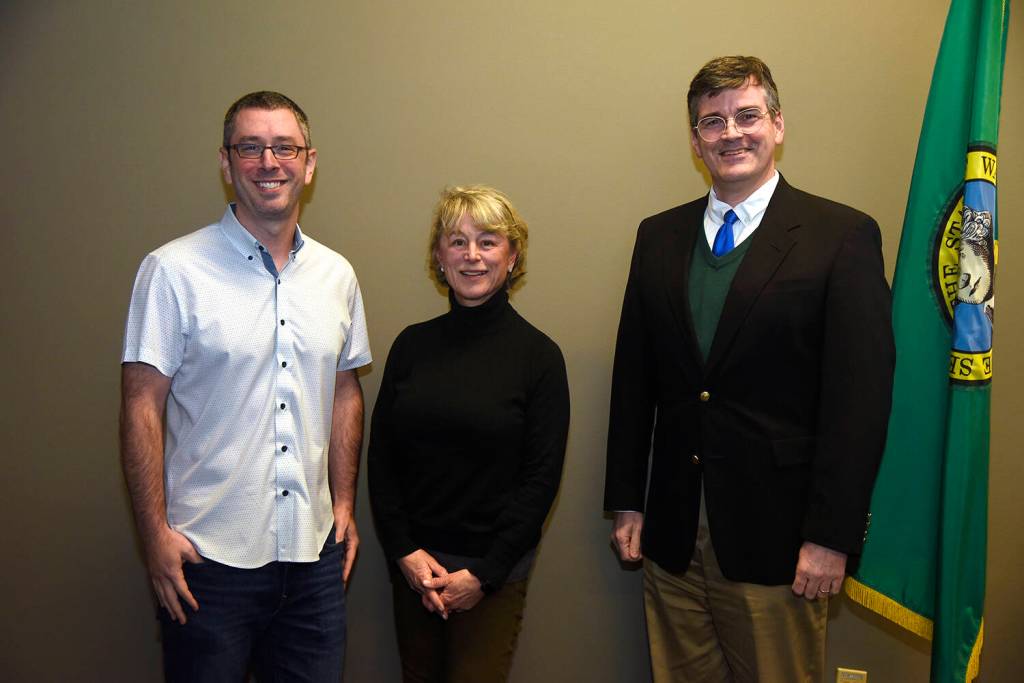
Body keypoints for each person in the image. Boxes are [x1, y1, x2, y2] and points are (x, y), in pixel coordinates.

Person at [604, 56, 896, 682]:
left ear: (778, 124)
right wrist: (627, 499)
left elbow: (860, 403)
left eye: (747, 115)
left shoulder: (841, 236)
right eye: (712, 122)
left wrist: (832, 536)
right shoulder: (657, 237)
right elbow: (634, 380)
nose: (731, 133)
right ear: (695, 140)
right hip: (674, 534)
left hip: (782, 542)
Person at [120, 91, 371, 682]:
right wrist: (153, 534)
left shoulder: (338, 276)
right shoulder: (172, 271)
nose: (268, 162)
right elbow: (140, 406)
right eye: (250, 148)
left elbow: (345, 392)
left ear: (309, 164)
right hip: (207, 562)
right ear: (226, 162)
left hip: (313, 562)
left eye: (284, 147)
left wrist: (342, 504)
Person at [368, 186, 569, 683]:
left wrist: (483, 574)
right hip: (415, 570)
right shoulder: (411, 346)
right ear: (439, 257)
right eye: (457, 242)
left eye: (487, 241)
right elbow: (382, 461)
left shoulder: (539, 357)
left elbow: (540, 479)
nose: (472, 255)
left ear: (513, 254)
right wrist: (406, 555)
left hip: (490, 576)